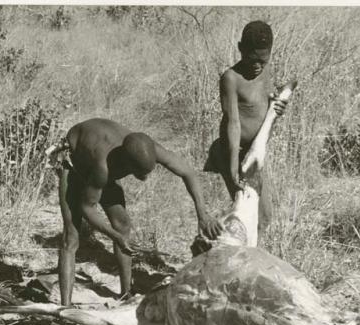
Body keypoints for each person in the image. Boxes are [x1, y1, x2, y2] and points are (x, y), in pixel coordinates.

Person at [52, 118, 223, 305]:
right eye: (140, 172)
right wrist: (113, 235)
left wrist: (203, 214)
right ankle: (64, 308)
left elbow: (187, 172)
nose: (145, 177)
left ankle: (126, 294)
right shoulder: (103, 167)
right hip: (74, 163)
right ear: (126, 163)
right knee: (71, 237)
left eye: (148, 171)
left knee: (123, 225)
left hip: (99, 165)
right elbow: (87, 207)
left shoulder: (149, 148)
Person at [204, 20, 288, 237]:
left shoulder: (267, 71)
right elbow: (232, 121)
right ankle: (214, 244)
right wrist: (233, 166)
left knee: (263, 216)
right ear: (241, 49)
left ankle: (229, 246)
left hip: (253, 154)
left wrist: (278, 106)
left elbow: (266, 108)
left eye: (263, 60)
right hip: (232, 152)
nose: (257, 66)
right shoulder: (231, 78)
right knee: (250, 214)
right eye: (252, 60)